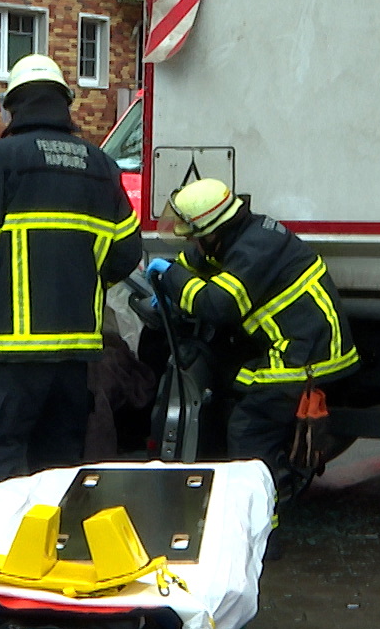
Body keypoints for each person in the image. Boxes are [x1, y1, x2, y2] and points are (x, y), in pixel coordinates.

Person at [0, 54, 141, 514]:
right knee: (55, 480)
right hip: (75, 358)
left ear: (13, 106)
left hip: (11, 356)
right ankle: (43, 577)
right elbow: (126, 256)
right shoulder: (101, 166)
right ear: (66, 105)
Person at [149, 178, 358, 494]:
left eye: (194, 238)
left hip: (308, 355)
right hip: (298, 344)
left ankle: (258, 504)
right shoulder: (242, 234)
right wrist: (173, 274)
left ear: (211, 232)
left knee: (249, 426)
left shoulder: (252, 249)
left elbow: (221, 305)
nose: (192, 244)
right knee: (229, 383)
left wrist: (173, 278)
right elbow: (199, 261)